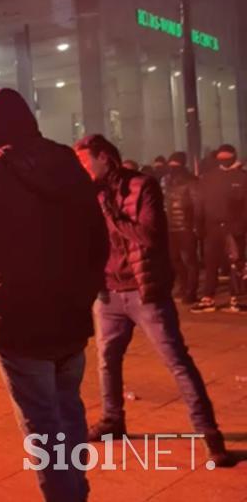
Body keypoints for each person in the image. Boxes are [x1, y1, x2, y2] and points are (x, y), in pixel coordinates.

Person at [0, 89, 109, 502]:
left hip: (18, 321)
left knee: (43, 427)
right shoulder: (66, 164)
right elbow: (98, 239)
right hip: (69, 318)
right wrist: (82, 292)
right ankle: (77, 491)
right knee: (68, 412)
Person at [74, 134, 234, 468]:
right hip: (108, 292)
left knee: (177, 361)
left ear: (104, 158)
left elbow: (149, 236)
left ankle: (209, 434)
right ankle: (112, 420)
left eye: (86, 161)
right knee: (107, 361)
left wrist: (110, 213)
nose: (83, 168)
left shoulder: (142, 186)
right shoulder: (88, 194)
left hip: (144, 291)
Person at [193, 143, 247, 313]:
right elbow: (199, 204)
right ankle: (208, 298)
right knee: (211, 264)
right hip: (212, 227)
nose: (223, 160)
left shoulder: (242, 177)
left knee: (236, 263)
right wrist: (199, 225)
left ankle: (237, 298)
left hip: (234, 228)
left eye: (226, 157)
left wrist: (241, 226)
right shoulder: (208, 178)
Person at [161, 152, 200, 305]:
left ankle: (191, 291)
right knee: (175, 259)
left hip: (186, 227)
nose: (173, 167)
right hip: (170, 226)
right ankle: (183, 286)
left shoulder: (191, 181)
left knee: (189, 261)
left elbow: (197, 205)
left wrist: (196, 226)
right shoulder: (165, 180)